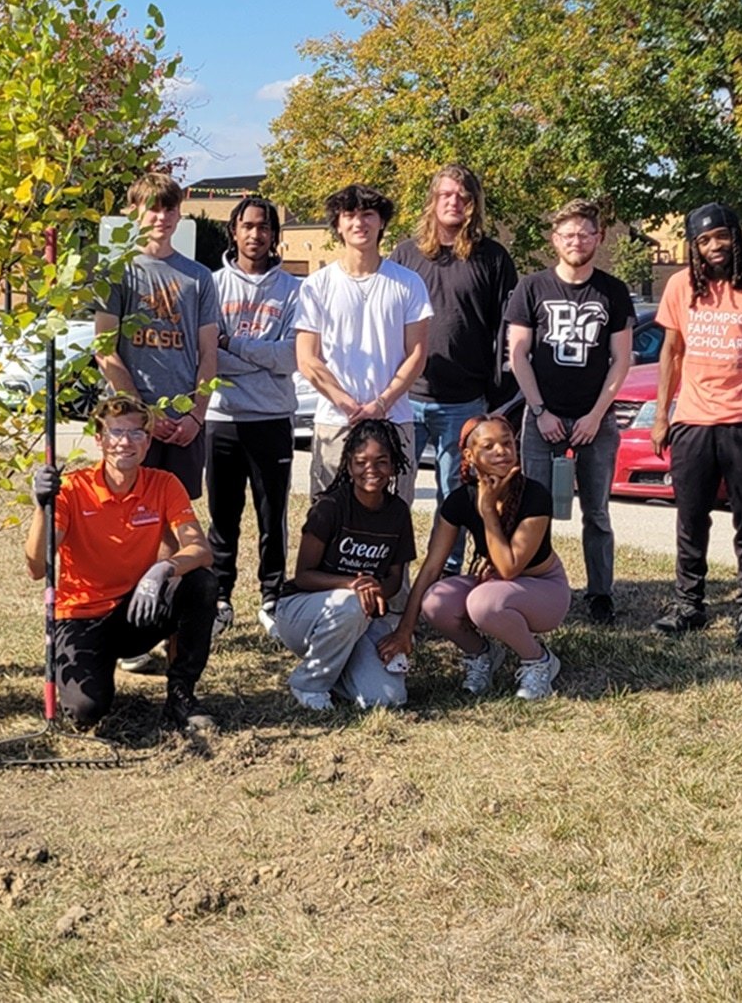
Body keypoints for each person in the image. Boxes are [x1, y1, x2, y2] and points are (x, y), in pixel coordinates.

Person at [649, 203, 742, 647]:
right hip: (692, 420)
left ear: (736, 236)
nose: (714, 246)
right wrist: (662, 415)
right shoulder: (680, 285)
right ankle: (689, 604)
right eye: (703, 240)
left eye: (721, 236)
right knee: (690, 517)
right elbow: (671, 352)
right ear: (694, 246)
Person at [28, 394, 222, 733]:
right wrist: (41, 507)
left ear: (148, 442)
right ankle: (93, 680)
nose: (125, 442)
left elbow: (200, 550)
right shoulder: (73, 489)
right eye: (116, 433)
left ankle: (181, 695)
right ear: (99, 440)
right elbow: (36, 568)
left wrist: (163, 569)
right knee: (86, 712)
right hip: (82, 615)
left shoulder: (164, 484)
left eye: (135, 433)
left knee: (201, 583)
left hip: (138, 608)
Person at [505, 198, 636, 625]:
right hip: (542, 418)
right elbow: (518, 354)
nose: (576, 241)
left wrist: (596, 415)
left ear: (598, 238)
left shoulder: (613, 291)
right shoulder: (531, 288)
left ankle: (600, 594)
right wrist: (540, 410)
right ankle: (532, 585)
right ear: (554, 239)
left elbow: (621, 360)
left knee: (596, 512)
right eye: (568, 234)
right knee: (532, 508)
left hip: (595, 421)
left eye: (584, 233)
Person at [383, 415, 569, 700]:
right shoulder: (460, 500)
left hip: (544, 589)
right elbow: (431, 568)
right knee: (436, 602)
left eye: (507, 443)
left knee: (484, 604)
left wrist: (488, 510)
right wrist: (405, 629)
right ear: (470, 456)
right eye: (489, 446)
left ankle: (538, 660)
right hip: (495, 585)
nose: (501, 451)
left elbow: (509, 568)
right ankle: (483, 654)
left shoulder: (535, 495)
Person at [390, 165, 518, 570]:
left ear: (474, 205)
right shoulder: (405, 255)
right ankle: (392, 570)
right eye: (446, 194)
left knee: (454, 493)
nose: (454, 202)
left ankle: (446, 572)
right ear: (433, 200)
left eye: (463, 197)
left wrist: (499, 393)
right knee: (394, 489)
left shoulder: (492, 258)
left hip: (464, 401)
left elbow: (508, 330)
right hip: (405, 397)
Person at [295, 183, 432, 502]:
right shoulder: (317, 285)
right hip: (334, 422)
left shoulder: (408, 283)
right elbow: (307, 358)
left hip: (394, 419)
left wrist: (381, 404)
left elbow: (416, 354)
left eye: (368, 214)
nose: (359, 223)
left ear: (382, 222)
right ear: (338, 224)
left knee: (392, 513)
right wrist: (345, 402)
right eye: (350, 215)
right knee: (327, 513)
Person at [267, 420, 416, 712]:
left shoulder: (398, 512)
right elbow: (304, 576)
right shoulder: (330, 507)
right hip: (304, 612)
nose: (371, 470)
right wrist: (352, 584)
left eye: (381, 461)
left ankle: (337, 670)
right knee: (351, 604)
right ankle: (308, 683)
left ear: (393, 466)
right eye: (361, 462)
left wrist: (375, 588)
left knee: (387, 699)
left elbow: (395, 580)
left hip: (360, 617)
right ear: (348, 465)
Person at [94, 172, 221, 505]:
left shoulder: (199, 277)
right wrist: (144, 413)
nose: (162, 217)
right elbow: (104, 350)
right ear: (134, 211)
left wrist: (196, 416)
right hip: (130, 420)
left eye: (170, 209)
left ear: (179, 214)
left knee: (176, 513)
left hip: (183, 425)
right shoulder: (116, 273)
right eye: (153, 208)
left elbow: (209, 353)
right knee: (127, 508)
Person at [205, 194, 300, 633]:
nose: (256, 234)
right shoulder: (212, 286)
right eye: (248, 226)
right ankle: (220, 598)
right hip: (222, 418)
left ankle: (273, 597)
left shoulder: (294, 290)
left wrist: (234, 346)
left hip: (271, 417)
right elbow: (207, 356)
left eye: (264, 227)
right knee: (222, 518)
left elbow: (291, 357)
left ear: (274, 234)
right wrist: (260, 356)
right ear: (234, 231)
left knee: (271, 516)